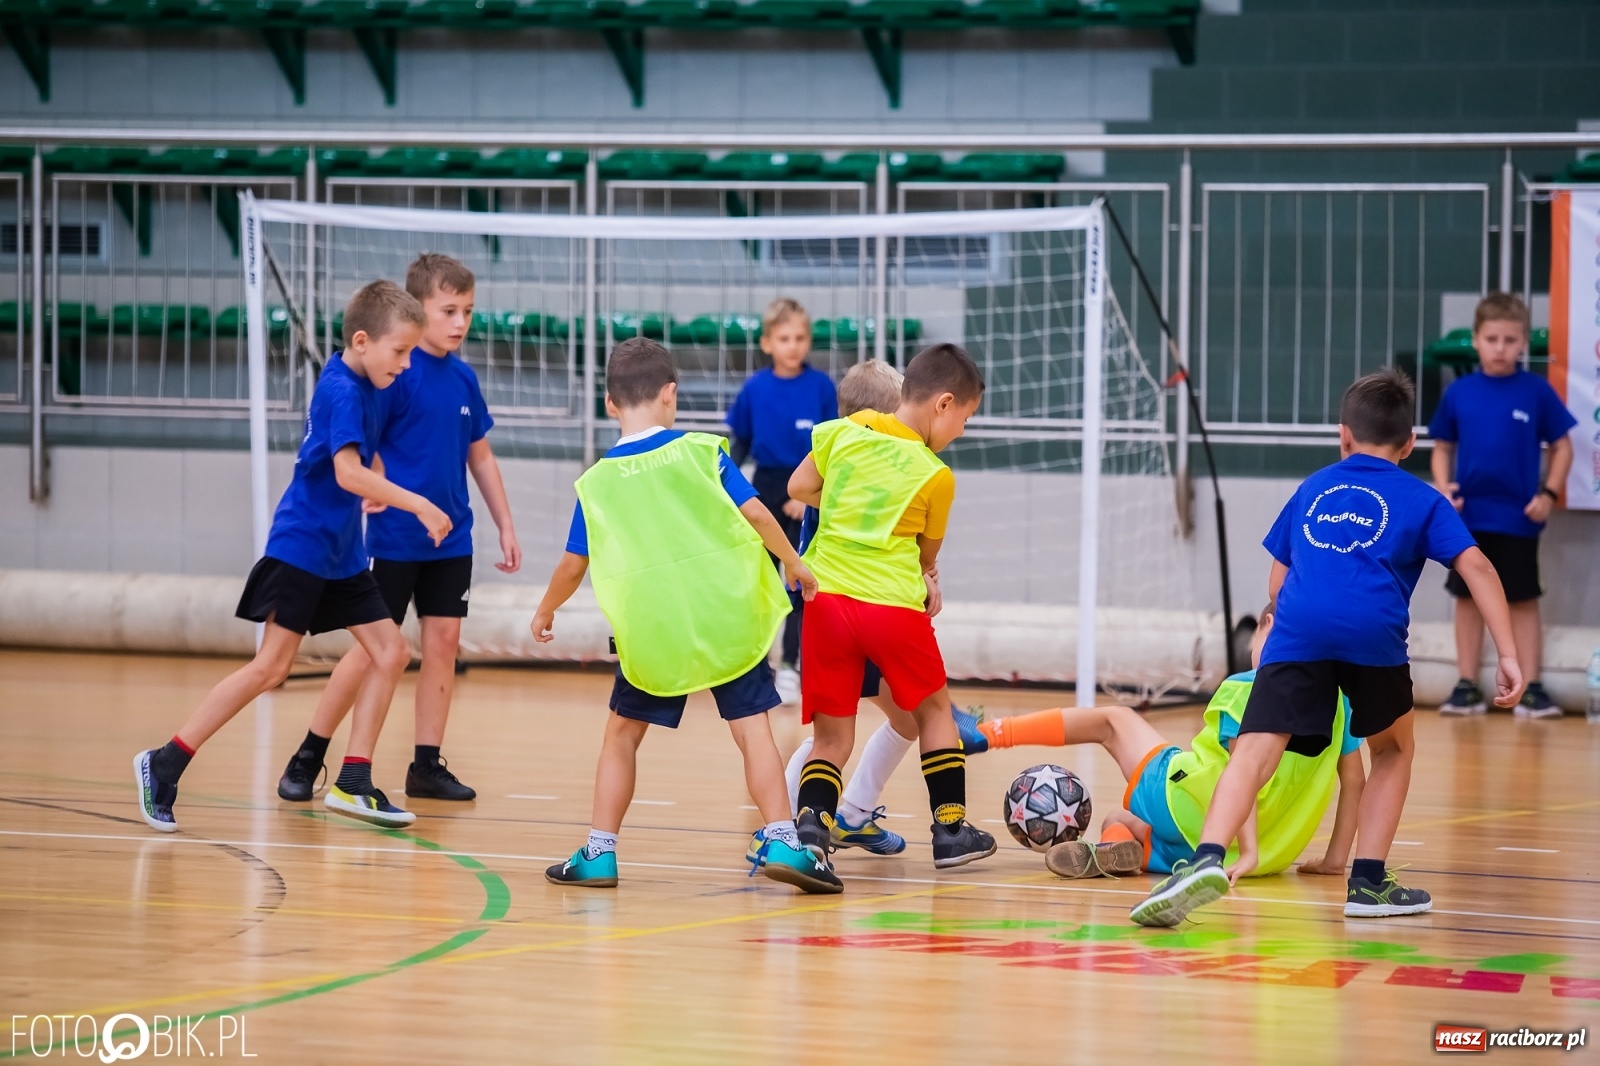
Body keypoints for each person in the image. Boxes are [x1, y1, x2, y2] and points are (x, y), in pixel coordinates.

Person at [1129, 368, 1523, 927]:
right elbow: (1477, 566)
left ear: (1343, 436)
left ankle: (1205, 858)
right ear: (1410, 445)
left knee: (1254, 750)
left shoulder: (1313, 487)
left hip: (1299, 630)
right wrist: (1506, 653)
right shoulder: (1422, 497)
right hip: (1373, 635)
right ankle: (1368, 884)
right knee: (1393, 750)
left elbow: (1275, 584)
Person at [134, 281, 451, 833]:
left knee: (391, 652)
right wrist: (415, 502)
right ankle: (164, 762)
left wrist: (376, 481)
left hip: (342, 551)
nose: (406, 363)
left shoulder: (373, 382)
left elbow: (362, 463)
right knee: (271, 668)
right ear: (361, 341)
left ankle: (354, 780)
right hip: (303, 545)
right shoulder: (342, 390)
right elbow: (345, 471)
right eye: (399, 351)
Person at [530, 337, 839, 894]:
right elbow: (758, 515)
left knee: (622, 735)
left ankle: (599, 853)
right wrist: (793, 563)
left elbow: (575, 563)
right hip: (725, 621)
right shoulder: (703, 452)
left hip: (654, 633)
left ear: (609, 403)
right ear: (671, 395)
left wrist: (546, 608)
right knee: (753, 731)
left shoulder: (597, 482)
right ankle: (785, 841)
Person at [277, 254, 520, 804]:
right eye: (448, 310)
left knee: (443, 645)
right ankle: (310, 752)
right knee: (370, 652)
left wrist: (505, 523)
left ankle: (426, 765)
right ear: (417, 310)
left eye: (469, 311)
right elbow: (360, 447)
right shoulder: (394, 371)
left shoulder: (463, 377)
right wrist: (378, 476)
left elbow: (480, 456)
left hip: (451, 537)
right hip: (394, 538)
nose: (460, 323)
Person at [787, 343, 997, 876]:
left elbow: (799, 487)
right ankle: (950, 831)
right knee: (934, 713)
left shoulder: (839, 433)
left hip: (827, 604)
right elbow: (926, 559)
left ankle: (811, 833)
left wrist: (847, 503)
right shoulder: (935, 475)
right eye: (966, 418)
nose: (963, 431)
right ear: (943, 404)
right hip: (891, 609)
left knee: (832, 736)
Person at [973, 602, 1365, 883]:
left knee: (1114, 720)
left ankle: (988, 734)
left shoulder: (1246, 689)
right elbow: (1355, 784)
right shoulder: (1342, 704)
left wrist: (1249, 849)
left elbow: (1242, 772)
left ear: (1268, 623)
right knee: (1120, 819)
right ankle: (1122, 852)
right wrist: (1334, 860)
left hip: (1197, 815)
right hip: (1265, 856)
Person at [1430, 293, 1576, 719]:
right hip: (1468, 518)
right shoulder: (1460, 392)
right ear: (1475, 340)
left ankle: (1531, 687)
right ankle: (1465, 685)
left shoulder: (1536, 391)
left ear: (1523, 344)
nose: (1500, 347)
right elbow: (1441, 447)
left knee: (1523, 599)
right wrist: (1443, 487)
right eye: (1491, 338)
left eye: (1510, 339)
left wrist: (1548, 494)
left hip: (1519, 518)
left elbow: (1562, 447)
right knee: (1467, 599)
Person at [726, 298, 838, 705]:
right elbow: (738, 445)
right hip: (764, 490)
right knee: (757, 581)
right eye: (784, 338)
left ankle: (792, 666)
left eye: (800, 338)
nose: (793, 345)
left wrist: (807, 497)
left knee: (798, 583)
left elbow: (830, 451)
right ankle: (754, 665)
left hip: (803, 491)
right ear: (768, 343)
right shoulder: (754, 388)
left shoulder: (822, 388)